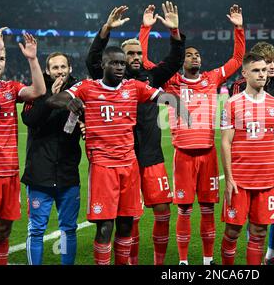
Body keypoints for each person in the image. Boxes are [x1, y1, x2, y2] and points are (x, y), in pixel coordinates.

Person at [47, 46, 188, 265]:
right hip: (103, 166)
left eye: (122, 63)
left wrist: (180, 106)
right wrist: (68, 101)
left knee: (126, 224)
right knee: (105, 226)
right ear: (103, 65)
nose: (120, 67)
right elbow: (52, 101)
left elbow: (163, 97)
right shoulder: (87, 87)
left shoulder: (133, 87)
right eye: (115, 63)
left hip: (129, 165)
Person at [140, 4, 245, 265]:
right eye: (189, 55)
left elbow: (237, 60)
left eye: (197, 55)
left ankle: (208, 261)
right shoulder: (171, 82)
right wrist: (146, 28)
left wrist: (238, 28)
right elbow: (144, 62)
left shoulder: (212, 78)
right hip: (183, 156)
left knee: (208, 209)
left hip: (208, 155)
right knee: (184, 209)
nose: (195, 58)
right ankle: (184, 262)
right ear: (181, 61)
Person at [86, 2, 185, 265]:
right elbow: (92, 60)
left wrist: (174, 33)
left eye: (139, 54)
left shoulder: (150, 77)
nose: (136, 58)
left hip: (151, 156)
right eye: (131, 54)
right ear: (118, 59)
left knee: (163, 211)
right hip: (121, 158)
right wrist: (105, 29)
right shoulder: (110, 77)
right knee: (129, 217)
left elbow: (175, 60)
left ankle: (158, 263)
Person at [230, 41, 274, 265]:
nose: (271, 67)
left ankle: (271, 255)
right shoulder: (240, 86)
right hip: (250, 163)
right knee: (252, 216)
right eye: (266, 62)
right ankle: (257, 255)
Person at [0, 28, 46, 265]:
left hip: (10, 173)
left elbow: (39, 91)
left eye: (1, 58)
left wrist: (32, 60)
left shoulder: (10, 89)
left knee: (3, 230)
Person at [220, 52, 274, 265]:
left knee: (258, 232)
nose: (262, 74)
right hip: (239, 181)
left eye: (264, 70)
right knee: (233, 231)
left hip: (266, 181)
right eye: (256, 70)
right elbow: (226, 143)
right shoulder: (232, 103)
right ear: (245, 73)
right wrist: (229, 179)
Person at [21, 52, 82, 265]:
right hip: (40, 174)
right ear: (47, 71)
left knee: (68, 230)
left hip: (67, 173)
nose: (59, 71)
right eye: (55, 68)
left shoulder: (78, 92)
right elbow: (29, 119)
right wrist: (49, 100)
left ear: (70, 68)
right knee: (36, 230)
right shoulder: (38, 91)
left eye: (63, 67)